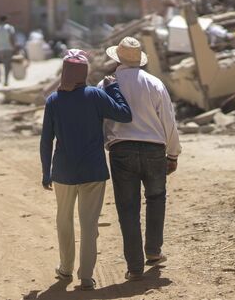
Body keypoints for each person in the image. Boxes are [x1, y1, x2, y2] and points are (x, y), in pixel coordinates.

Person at [40, 49, 132, 291]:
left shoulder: (53, 100)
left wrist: (45, 172)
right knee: (89, 225)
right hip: (93, 171)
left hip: (63, 172)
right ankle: (87, 276)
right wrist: (113, 89)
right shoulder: (95, 96)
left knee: (64, 221)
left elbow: (46, 140)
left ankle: (65, 268)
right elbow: (125, 115)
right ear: (84, 73)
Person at [100, 37, 182, 281]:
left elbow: (101, 119)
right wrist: (173, 153)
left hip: (121, 150)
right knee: (156, 199)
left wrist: (107, 142)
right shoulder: (154, 83)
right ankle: (154, 251)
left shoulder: (106, 85)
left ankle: (134, 267)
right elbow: (168, 120)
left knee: (128, 208)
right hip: (154, 150)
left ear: (117, 58)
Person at [0, 15, 16, 86]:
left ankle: (5, 79)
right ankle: (6, 80)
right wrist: (14, 47)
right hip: (9, 48)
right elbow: (11, 38)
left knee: (5, 64)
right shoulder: (9, 28)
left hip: (0, 49)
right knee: (7, 65)